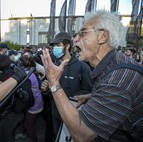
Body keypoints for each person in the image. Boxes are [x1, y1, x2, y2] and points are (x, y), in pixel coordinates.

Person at [40, 10, 143, 141]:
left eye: (83, 33)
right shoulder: (115, 64)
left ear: (102, 37)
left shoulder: (118, 80)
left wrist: (54, 83)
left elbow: (81, 135)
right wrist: (92, 96)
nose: (75, 40)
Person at [41, 32, 92, 140]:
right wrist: (45, 88)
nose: (55, 48)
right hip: (56, 114)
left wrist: (72, 99)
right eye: (54, 46)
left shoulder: (82, 67)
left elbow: (88, 91)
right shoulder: (52, 65)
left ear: (67, 46)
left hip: (74, 117)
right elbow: (50, 90)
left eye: (58, 45)